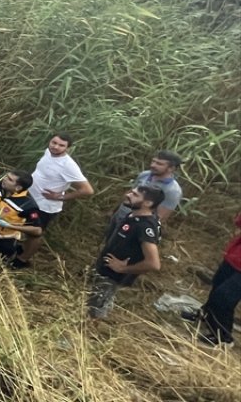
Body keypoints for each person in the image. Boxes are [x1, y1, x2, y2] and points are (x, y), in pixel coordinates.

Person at [87, 185, 164, 319]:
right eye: (131, 192)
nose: (128, 195)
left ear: (148, 203)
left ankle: (90, 332)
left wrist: (123, 268)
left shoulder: (145, 227)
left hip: (112, 276)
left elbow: (154, 264)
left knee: (96, 309)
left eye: (135, 195)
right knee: (94, 302)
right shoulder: (133, 215)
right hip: (105, 269)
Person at [19, 133, 93, 267]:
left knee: (34, 233)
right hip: (30, 197)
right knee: (24, 227)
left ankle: (23, 259)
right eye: (54, 142)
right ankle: (22, 249)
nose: (56, 147)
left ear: (67, 148)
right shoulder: (48, 152)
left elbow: (87, 190)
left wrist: (60, 197)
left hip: (45, 206)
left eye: (61, 145)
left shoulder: (68, 165)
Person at [183, 210, 241, 346]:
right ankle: (207, 316)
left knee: (224, 296)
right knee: (217, 287)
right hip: (234, 257)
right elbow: (238, 222)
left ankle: (222, 336)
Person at [109, 150, 183, 232]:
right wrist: (114, 210)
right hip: (120, 215)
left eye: (159, 164)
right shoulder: (145, 174)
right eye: (153, 161)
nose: (153, 165)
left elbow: (160, 217)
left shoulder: (172, 190)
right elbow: (130, 193)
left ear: (171, 168)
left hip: (134, 225)